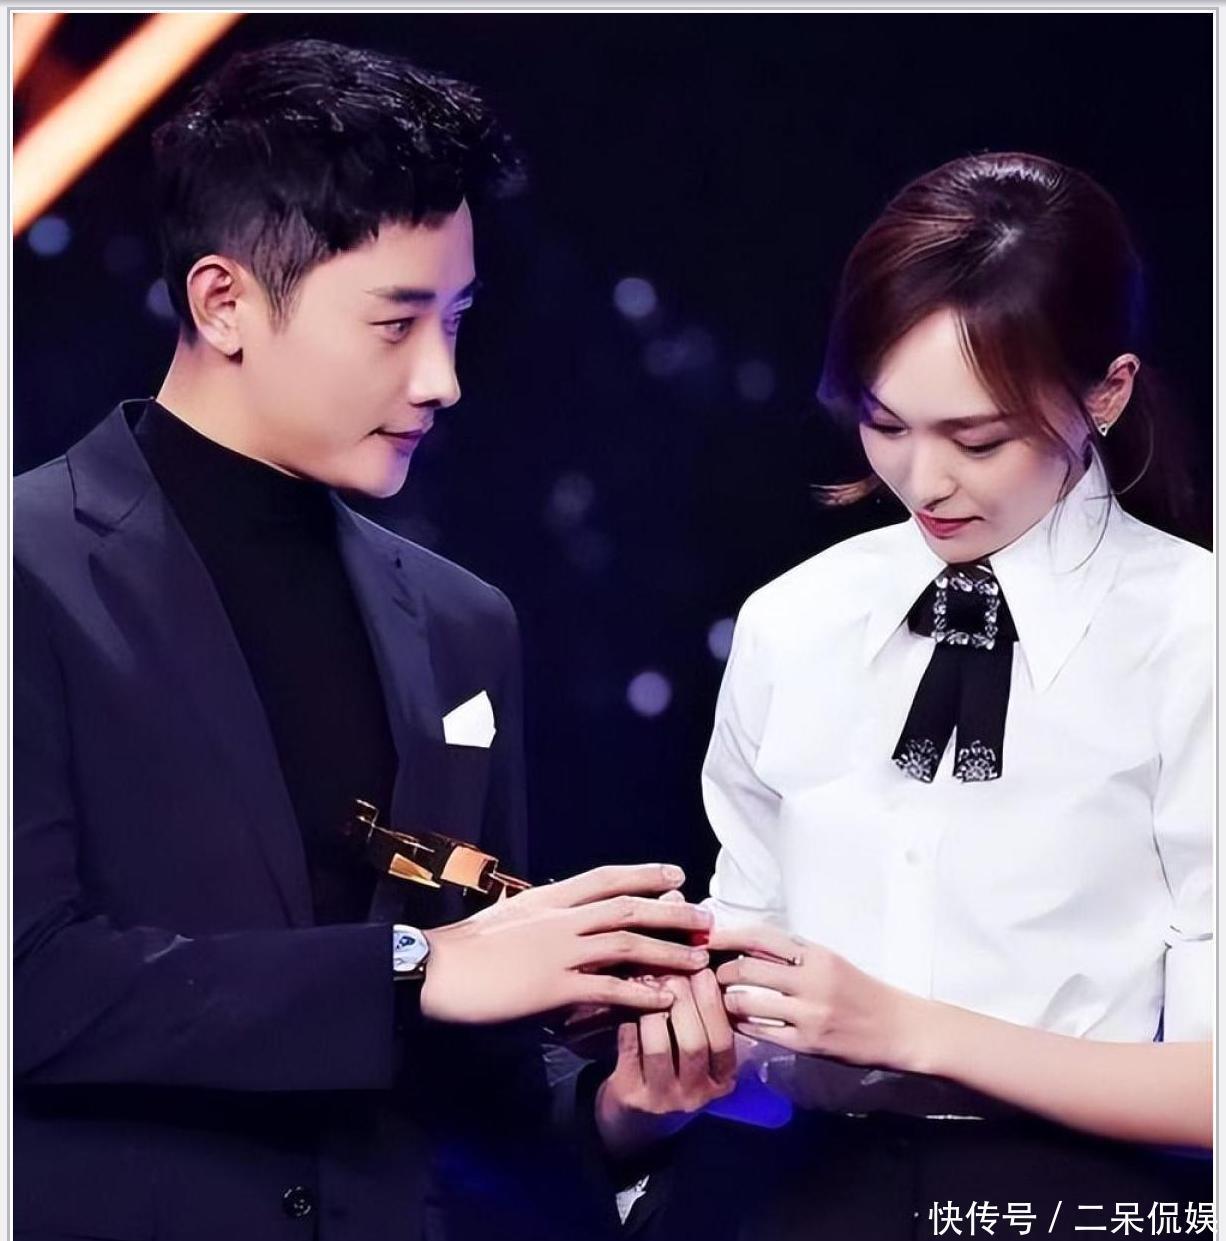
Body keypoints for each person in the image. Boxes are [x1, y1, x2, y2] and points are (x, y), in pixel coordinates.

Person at [13, 38, 717, 1241]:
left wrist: (618, 1108)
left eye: (457, 319)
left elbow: (475, 1071)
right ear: (223, 302)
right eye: (396, 323)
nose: (442, 377)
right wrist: (413, 967)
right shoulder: (27, 571)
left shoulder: (463, 624)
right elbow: (30, 982)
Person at [617, 152, 1213, 1238]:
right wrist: (672, 1041)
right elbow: (755, 1019)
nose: (924, 481)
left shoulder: (1191, 633)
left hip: (1075, 1200)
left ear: (1107, 391)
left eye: (977, 438)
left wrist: (907, 1029)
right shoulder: (795, 620)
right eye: (884, 424)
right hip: (800, 1191)